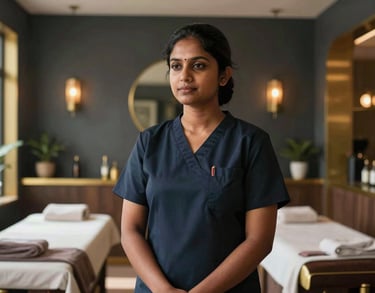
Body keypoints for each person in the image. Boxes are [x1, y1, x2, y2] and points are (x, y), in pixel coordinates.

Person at [113, 23, 290, 293]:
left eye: (198, 65)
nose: (184, 75)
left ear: (223, 75)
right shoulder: (149, 143)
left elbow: (259, 240)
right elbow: (131, 230)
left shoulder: (251, 142)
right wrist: (164, 290)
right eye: (175, 66)